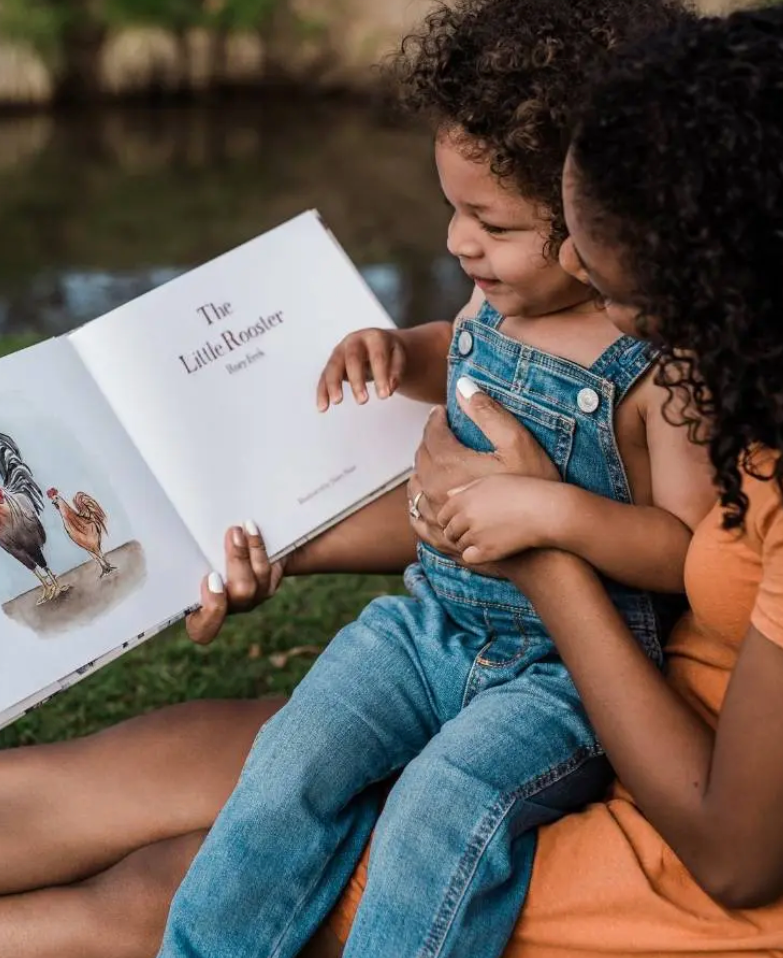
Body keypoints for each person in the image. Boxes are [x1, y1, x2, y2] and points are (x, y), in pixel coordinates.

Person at [156, 2, 712, 956]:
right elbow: (452, 352)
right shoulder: (493, 297)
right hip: (429, 624)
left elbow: (686, 554)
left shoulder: (657, 367)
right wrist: (393, 351)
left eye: (490, 223)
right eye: (452, 209)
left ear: (597, 213)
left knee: (440, 810)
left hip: (566, 677)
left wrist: (554, 514)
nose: (459, 242)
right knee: (296, 755)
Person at [320, 5, 783, 956]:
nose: (576, 270)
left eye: (619, 289)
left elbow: (738, 855)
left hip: (656, 773)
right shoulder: (736, 386)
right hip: (561, 682)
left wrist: (546, 541)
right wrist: (293, 550)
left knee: (404, 838)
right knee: (262, 791)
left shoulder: (678, 386)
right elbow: (459, 391)